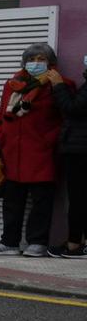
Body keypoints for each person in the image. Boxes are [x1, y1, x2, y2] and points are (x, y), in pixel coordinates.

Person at [0, 42, 73, 258]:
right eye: (32, 59)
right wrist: (1, 134)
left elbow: (67, 118)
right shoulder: (12, 84)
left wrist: (49, 140)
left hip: (42, 152)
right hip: (13, 151)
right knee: (12, 200)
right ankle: (9, 242)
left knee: (41, 201)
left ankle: (38, 242)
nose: (36, 63)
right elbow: (0, 113)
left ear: (51, 63)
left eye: (41, 59)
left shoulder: (60, 84)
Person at [56, 52, 87, 259]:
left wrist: (58, 86)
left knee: (78, 197)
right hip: (78, 148)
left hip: (80, 150)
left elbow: (73, 108)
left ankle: (75, 244)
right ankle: (74, 241)